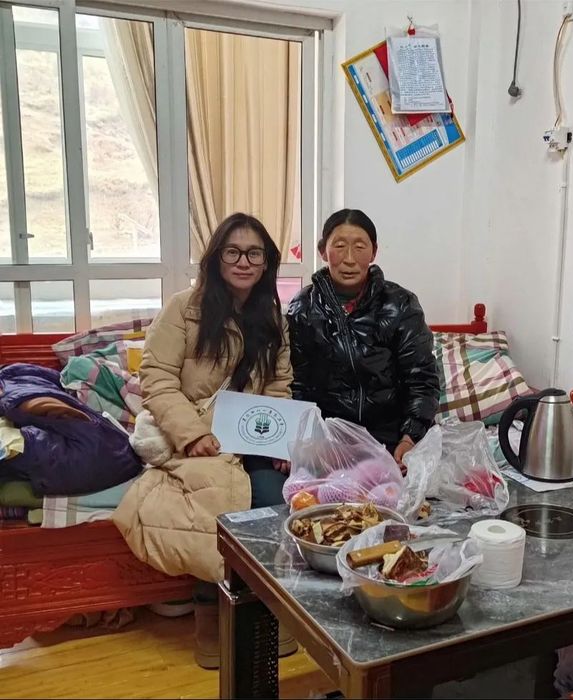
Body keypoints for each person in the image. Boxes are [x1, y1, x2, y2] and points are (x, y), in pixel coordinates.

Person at [113, 212, 296, 669]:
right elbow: (156, 377)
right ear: (216, 258)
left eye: (254, 253)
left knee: (275, 499)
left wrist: (277, 440)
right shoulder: (183, 309)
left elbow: (279, 385)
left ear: (266, 262)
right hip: (199, 435)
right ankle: (212, 617)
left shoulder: (273, 317)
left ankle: (264, 614)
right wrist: (191, 435)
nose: (243, 262)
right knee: (212, 502)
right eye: (233, 252)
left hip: (250, 435)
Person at [286, 208, 439, 468]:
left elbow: (421, 378)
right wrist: (298, 441)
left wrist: (410, 438)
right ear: (323, 251)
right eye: (339, 246)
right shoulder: (303, 307)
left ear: (373, 252)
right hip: (326, 442)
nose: (349, 259)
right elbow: (296, 384)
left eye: (359, 247)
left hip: (390, 438)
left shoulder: (400, 304)